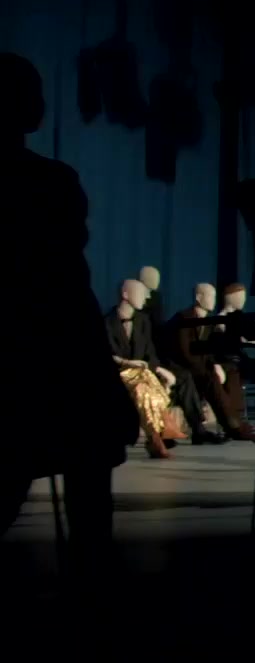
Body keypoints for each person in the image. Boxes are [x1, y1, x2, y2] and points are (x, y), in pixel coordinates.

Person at [0, 53, 133, 566]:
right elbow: (63, 278)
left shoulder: (52, 181)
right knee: (87, 476)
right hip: (55, 352)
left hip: (40, 352)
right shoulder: (50, 182)